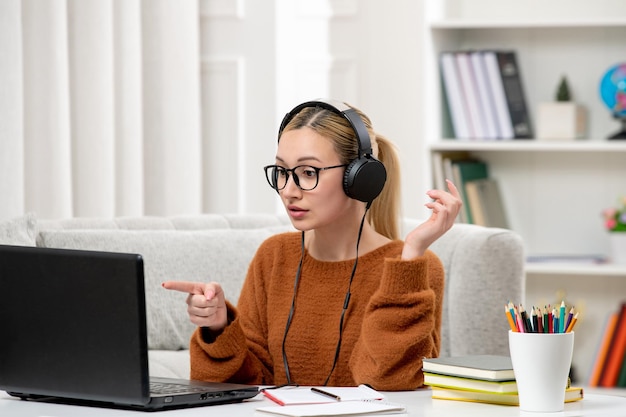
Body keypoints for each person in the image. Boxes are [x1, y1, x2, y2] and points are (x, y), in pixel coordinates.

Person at [163, 99, 462, 390]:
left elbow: (389, 380)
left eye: (308, 172)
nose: (289, 191)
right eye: (282, 172)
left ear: (358, 178)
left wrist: (409, 260)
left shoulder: (413, 268)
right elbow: (246, 387)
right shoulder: (274, 256)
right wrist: (218, 327)